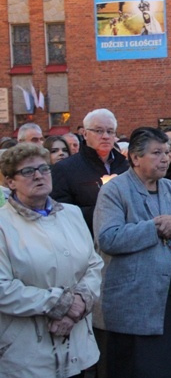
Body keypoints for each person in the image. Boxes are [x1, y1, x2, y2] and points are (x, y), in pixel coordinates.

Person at [94, 127, 171, 378]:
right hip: (136, 304)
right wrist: (154, 227)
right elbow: (108, 238)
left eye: (167, 152)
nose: (165, 158)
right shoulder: (114, 191)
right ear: (134, 157)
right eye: (156, 153)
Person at [0, 143, 103, 377]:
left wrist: (78, 304)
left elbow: (94, 264)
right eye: (27, 171)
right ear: (10, 181)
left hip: (77, 345)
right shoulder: (3, 224)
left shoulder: (72, 213)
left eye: (44, 168)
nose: (38, 175)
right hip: (26, 351)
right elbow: (2, 288)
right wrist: (61, 303)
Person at [51, 108, 129, 233]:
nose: (105, 136)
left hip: (125, 236)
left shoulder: (126, 166)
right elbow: (61, 212)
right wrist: (105, 210)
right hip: (86, 237)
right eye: (99, 131)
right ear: (85, 134)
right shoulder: (65, 169)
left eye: (110, 131)